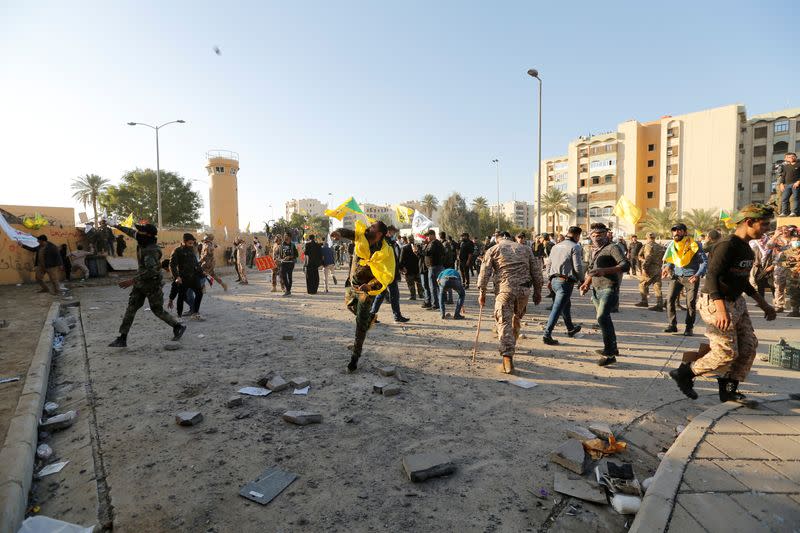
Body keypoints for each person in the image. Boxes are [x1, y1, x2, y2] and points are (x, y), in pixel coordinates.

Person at [670, 204, 777, 402]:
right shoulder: (727, 245)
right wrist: (721, 310)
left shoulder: (746, 248)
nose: (766, 229)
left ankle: (728, 388)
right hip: (716, 302)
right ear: (749, 222)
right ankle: (685, 373)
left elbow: (742, 281)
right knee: (726, 352)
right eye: (763, 225)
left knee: (748, 347)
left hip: (736, 302)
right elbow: (711, 278)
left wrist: (764, 304)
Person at [108, 223, 185, 347]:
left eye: (141, 231)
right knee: (131, 308)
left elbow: (152, 271)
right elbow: (130, 231)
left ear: (148, 235)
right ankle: (122, 338)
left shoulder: (151, 250)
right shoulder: (142, 239)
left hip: (152, 283)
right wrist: (116, 225)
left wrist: (132, 281)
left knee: (157, 310)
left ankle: (178, 326)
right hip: (140, 283)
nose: (137, 233)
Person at [477, 231, 543, 374]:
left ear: (497, 239)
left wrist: (482, 294)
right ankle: (511, 343)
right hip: (523, 291)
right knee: (515, 319)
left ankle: (507, 359)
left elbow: (484, 274)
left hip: (504, 291)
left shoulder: (493, 249)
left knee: (504, 323)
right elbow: (536, 272)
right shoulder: (525, 248)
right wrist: (538, 292)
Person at [330, 221, 393, 372]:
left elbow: (385, 275)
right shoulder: (361, 237)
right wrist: (338, 232)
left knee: (360, 323)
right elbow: (348, 232)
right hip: (352, 285)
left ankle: (355, 357)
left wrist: (370, 286)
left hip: (366, 291)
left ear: (378, 234)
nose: (369, 228)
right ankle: (370, 318)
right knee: (350, 306)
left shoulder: (385, 252)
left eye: (373, 227)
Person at [579, 223, 629, 366]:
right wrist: (587, 283)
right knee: (603, 320)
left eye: (599, 235)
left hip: (609, 288)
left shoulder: (613, 248)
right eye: (593, 235)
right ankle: (612, 348)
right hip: (596, 290)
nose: (596, 238)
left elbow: (625, 265)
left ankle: (610, 354)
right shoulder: (595, 250)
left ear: (606, 234)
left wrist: (605, 271)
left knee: (602, 317)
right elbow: (592, 269)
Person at [661, 223, 708, 336]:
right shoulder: (673, 245)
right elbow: (672, 259)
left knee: (690, 304)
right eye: (674, 230)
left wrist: (697, 275)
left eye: (680, 230)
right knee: (669, 300)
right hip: (677, 276)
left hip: (691, 277)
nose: (676, 232)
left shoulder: (694, 245)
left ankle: (689, 328)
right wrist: (668, 267)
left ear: (685, 232)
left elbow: (704, 262)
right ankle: (672, 325)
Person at [542, 226, 584, 345]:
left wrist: (549, 279)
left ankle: (570, 329)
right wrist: (582, 279)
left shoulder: (556, 246)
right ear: (577, 236)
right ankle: (547, 334)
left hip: (554, 280)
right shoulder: (575, 246)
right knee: (557, 308)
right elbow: (578, 266)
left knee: (565, 305)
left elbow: (548, 263)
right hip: (565, 282)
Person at [369, 226, 409, 323]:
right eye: (392, 232)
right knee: (386, 294)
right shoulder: (382, 242)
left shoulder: (391, 242)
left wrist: (400, 267)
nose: (393, 234)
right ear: (386, 232)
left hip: (391, 272)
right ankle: (373, 315)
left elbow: (394, 258)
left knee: (387, 294)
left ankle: (374, 315)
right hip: (385, 272)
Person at [170, 233, 206, 320]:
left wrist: (201, 273)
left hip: (193, 277)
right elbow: (172, 265)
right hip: (183, 278)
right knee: (181, 297)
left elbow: (195, 264)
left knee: (199, 293)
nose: (191, 245)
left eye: (192, 243)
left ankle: (195, 313)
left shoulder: (191, 250)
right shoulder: (177, 251)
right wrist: (177, 277)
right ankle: (179, 316)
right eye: (189, 243)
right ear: (184, 242)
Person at [636, 232, 665, 310]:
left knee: (642, 284)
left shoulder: (648, 246)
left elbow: (648, 257)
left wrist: (644, 268)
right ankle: (659, 304)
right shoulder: (660, 246)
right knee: (657, 286)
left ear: (646, 238)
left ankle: (644, 301)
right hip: (658, 268)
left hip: (650, 269)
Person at [780, 229, 800, 316]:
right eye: (794, 241)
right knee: (793, 293)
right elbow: (780, 262)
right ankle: (795, 311)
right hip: (793, 277)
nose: (796, 242)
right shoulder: (786, 252)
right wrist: (790, 262)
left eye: (798, 241)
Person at [424, 229, 445, 310]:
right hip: (438, 266)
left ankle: (435, 305)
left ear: (432, 235)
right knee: (439, 287)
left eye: (428, 235)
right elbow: (443, 253)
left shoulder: (433, 243)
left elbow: (428, 252)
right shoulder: (438, 243)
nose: (427, 237)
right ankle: (439, 303)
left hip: (434, 267)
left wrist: (420, 250)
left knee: (433, 287)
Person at [777, 152, 800, 216]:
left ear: (796, 157)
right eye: (789, 157)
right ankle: (784, 213)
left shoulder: (799, 165)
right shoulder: (786, 166)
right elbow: (783, 176)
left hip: (795, 184)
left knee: (796, 198)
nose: (791, 158)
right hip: (786, 185)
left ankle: (794, 212)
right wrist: (781, 184)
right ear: (787, 159)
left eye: (793, 156)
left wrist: (798, 182)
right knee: (784, 199)